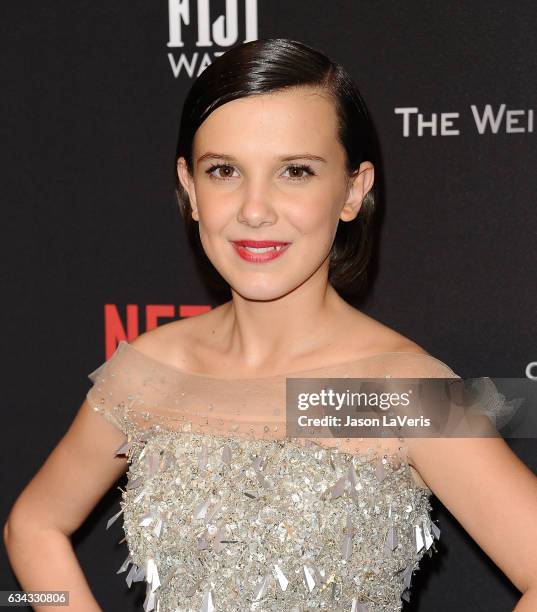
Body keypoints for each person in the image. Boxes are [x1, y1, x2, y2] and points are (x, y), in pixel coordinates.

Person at [4, 38, 537, 612]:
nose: (254, 209)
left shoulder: (398, 391)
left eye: (296, 171)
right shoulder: (152, 374)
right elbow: (31, 528)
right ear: (190, 189)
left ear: (353, 190)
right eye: (225, 170)